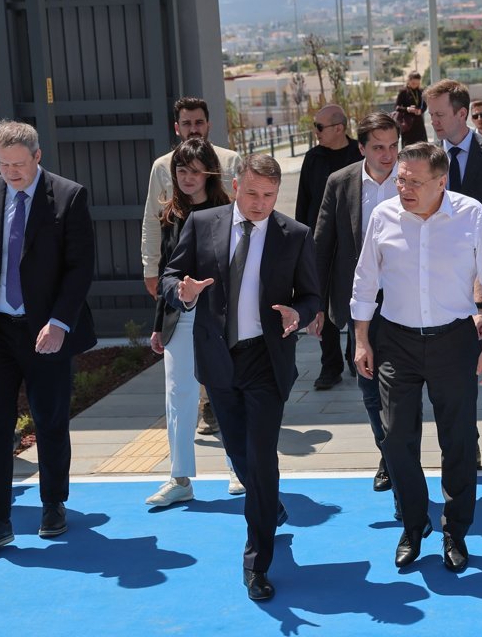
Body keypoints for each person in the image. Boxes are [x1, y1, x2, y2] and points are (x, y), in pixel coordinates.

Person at [161, 154, 320, 602]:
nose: (260, 203)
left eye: (269, 195)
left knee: (261, 457)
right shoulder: (202, 224)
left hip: (265, 360)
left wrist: (298, 312)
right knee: (239, 453)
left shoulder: (294, 235)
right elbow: (171, 275)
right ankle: (270, 505)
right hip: (218, 359)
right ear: (235, 186)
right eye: (251, 193)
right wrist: (182, 292)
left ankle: (257, 563)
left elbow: (312, 295)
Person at [351, 141, 482, 573]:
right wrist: (362, 340)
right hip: (395, 342)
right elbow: (364, 282)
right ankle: (413, 523)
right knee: (396, 439)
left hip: (454, 341)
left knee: (458, 441)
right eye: (401, 179)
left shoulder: (471, 215)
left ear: (442, 182)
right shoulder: (383, 215)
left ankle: (455, 530)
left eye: (414, 182)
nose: (403, 188)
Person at [0, 120, 96, 554]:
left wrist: (59, 323)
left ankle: (53, 504)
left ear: (37, 156)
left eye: (19, 164)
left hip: (46, 330)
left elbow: (80, 268)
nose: (11, 172)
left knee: (50, 420)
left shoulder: (69, 196)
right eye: (3, 164)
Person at [308, 112, 401, 495]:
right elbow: (322, 245)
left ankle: (397, 456)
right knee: (368, 384)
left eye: (393, 146)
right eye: (378, 147)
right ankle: (387, 453)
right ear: (361, 148)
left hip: (406, 300)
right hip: (359, 301)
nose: (387, 155)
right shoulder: (340, 182)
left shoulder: (412, 176)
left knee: (400, 387)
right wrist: (314, 303)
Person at [426, 78, 482, 450]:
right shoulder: (426, 158)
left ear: (462, 113)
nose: (433, 120)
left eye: (439, 114)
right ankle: (469, 441)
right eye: (431, 114)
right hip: (444, 278)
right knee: (454, 364)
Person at [141, 97, 241, 438]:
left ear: (208, 124)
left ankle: (217, 409)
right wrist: (150, 268)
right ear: (177, 127)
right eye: (186, 123)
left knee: (221, 362)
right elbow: (153, 222)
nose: (193, 128)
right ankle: (202, 409)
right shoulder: (162, 167)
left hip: (219, 286)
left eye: (199, 122)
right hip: (178, 285)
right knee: (180, 374)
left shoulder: (230, 161)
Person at [145, 139, 234, 507]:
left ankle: (239, 467)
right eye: (181, 171)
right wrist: (158, 324)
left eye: (195, 171)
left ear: (209, 173)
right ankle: (179, 478)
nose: (187, 178)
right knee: (178, 396)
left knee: (226, 391)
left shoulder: (229, 213)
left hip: (220, 317)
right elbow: (167, 269)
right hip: (178, 315)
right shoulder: (170, 213)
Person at [295, 103, 363, 391]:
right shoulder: (313, 158)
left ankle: (355, 356)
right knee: (322, 301)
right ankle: (330, 365)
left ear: (339, 128)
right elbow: (304, 201)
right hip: (321, 243)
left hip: (354, 242)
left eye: (319, 127)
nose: (316, 132)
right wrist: (300, 242)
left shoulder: (360, 152)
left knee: (356, 298)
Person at [394, 71, 428, 146]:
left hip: (419, 123)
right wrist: (408, 109)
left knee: (422, 146)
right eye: (413, 83)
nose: (415, 85)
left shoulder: (421, 91)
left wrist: (421, 111)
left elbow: (425, 105)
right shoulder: (403, 92)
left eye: (417, 83)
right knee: (408, 147)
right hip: (407, 124)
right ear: (409, 81)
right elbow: (397, 107)